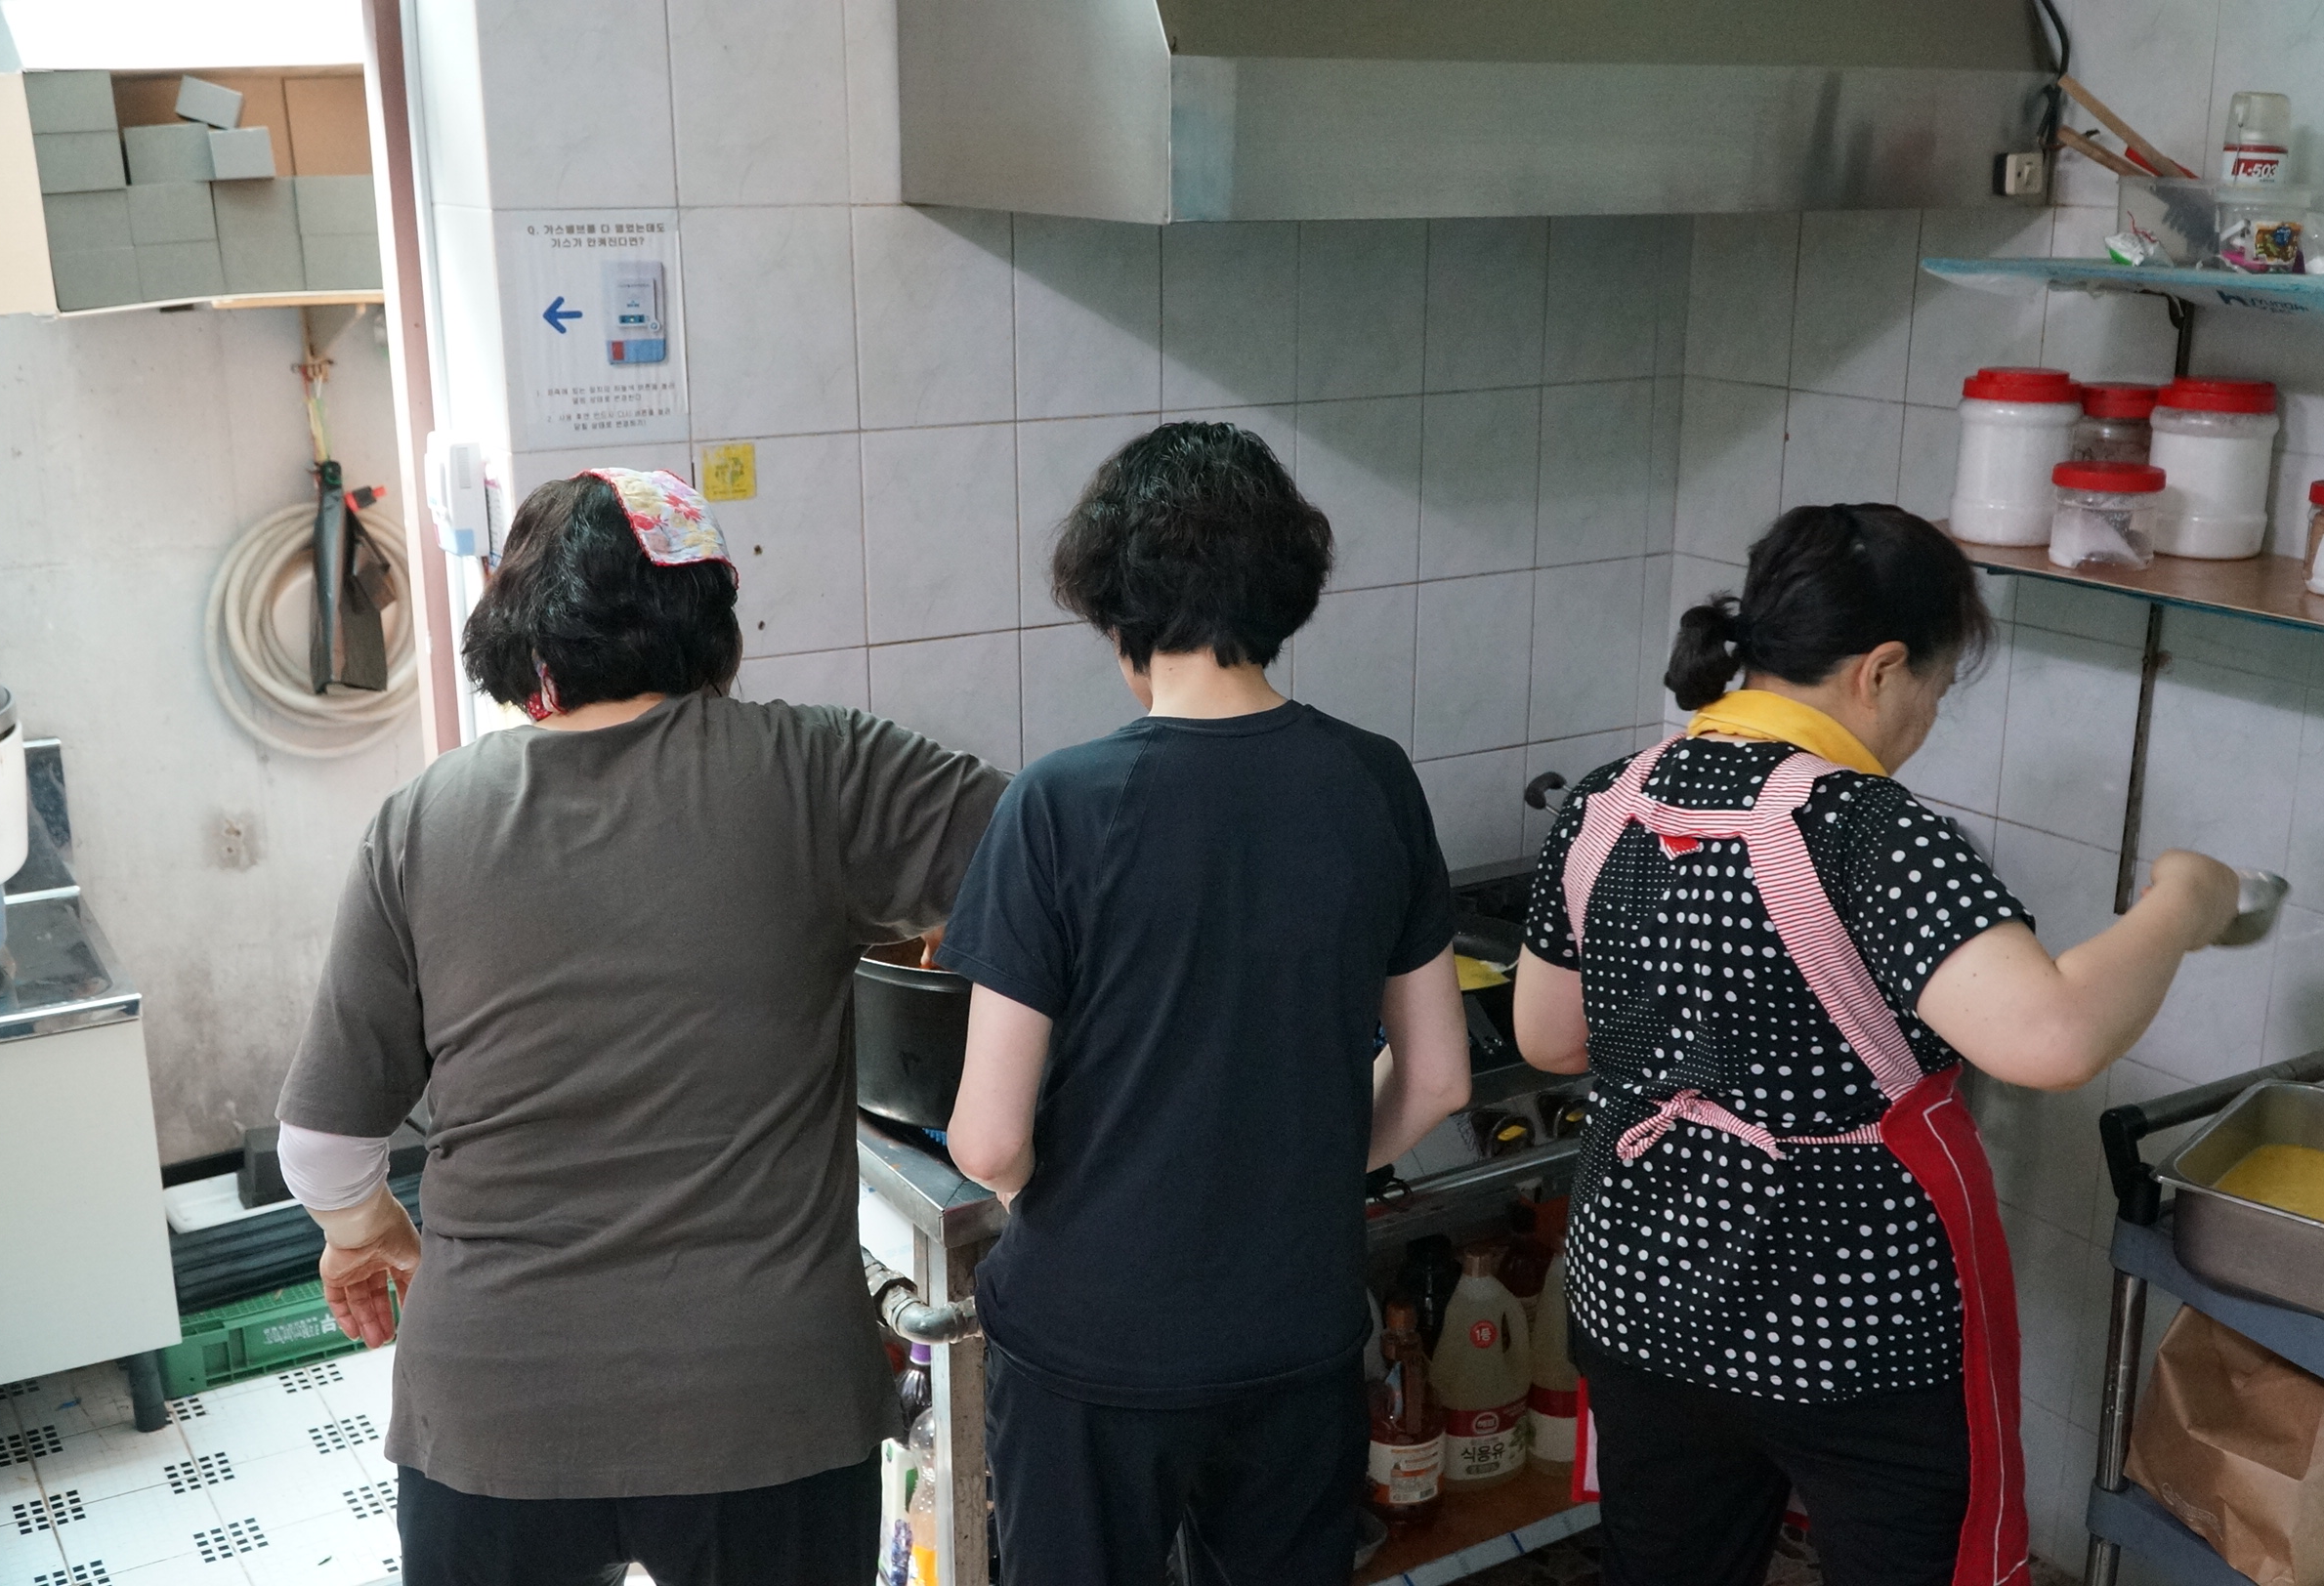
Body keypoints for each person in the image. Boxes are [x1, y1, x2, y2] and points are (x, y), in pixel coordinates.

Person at [275, 468, 1006, 1586]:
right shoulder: (818, 768)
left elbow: (323, 1149)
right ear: (711, 623)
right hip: (764, 1403)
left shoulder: (422, 819)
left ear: (527, 635)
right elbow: (1063, 862)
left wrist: (367, 1233)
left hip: (496, 1406)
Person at [1512, 504, 2239, 1586]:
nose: (1926, 719)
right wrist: (2183, 902)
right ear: (1882, 669)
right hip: (1855, 1334)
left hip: (1641, 1302)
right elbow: (2053, 1036)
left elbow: (1549, 1037)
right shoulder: (1868, 828)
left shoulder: (1611, 802)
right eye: (1936, 691)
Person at [937, 422, 1472, 1586]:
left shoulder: (1058, 804)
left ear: (1116, 611)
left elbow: (986, 1139)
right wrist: (1300, 1175)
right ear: (1282, 592)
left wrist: (1077, 1200)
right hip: (1295, 1328)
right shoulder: (1375, 778)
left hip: (1090, 1341)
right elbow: (1438, 1076)